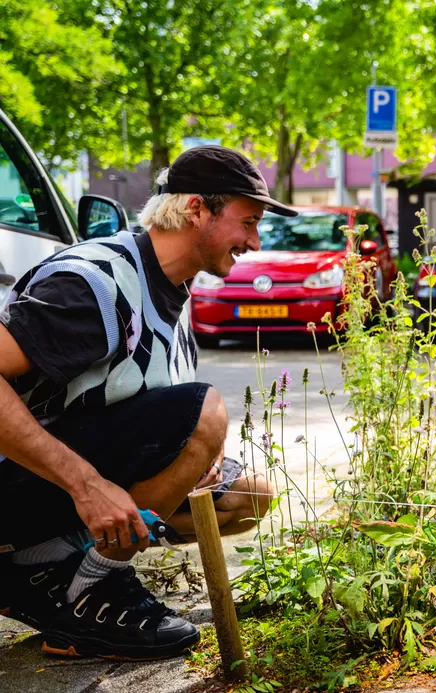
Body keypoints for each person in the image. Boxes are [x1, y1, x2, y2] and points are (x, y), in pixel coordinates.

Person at [0, 145, 284, 660]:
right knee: (207, 410)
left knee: (249, 494)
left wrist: (201, 455)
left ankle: (54, 559)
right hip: (12, 484)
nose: (254, 241)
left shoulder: (175, 289)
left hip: (47, 485)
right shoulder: (96, 282)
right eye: (248, 222)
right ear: (197, 209)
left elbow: (150, 404)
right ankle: (84, 588)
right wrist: (87, 488)